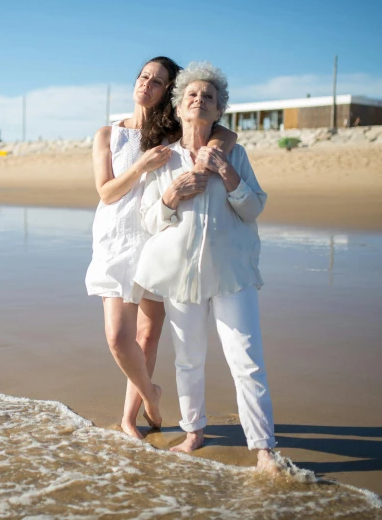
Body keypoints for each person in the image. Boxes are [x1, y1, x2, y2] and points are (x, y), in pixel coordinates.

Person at [133, 61, 279, 471]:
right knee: (188, 358)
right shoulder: (162, 161)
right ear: (179, 107)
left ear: (218, 112)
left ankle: (263, 448)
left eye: (209, 97)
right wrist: (171, 195)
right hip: (181, 277)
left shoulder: (236, 153)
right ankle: (194, 431)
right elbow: (148, 220)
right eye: (192, 95)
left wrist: (228, 175)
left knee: (246, 360)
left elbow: (254, 208)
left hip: (233, 274)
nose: (200, 100)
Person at [85, 57, 236, 439]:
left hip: (159, 238)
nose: (147, 84)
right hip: (116, 240)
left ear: (167, 92)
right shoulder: (108, 134)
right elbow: (106, 193)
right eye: (143, 77)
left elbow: (226, 135)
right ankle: (151, 394)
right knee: (119, 338)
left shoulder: (172, 133)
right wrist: (141, 166)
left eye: (157, 82)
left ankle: (129, 418)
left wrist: (209, 151)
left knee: (147, 336)